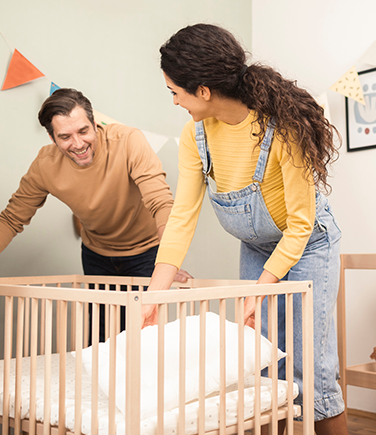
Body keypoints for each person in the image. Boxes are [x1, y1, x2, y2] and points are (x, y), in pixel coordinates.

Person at [143, 24, 348, 434]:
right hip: (257, 247)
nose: (174, 101)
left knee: (310, 367)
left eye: (175, 91)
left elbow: (301, 224)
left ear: (202, 90)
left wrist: (263, 287)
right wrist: (153, 296)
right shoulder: (194, 135)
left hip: (309, 244)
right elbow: (182, 218)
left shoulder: (281, 128)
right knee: (263, 361)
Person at [0, 88, 190, 341]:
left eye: (83, 131)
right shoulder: (45, 165)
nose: (78, 144)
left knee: (145, 334)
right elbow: (12, 218)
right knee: (101, 338)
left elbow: (161, 203)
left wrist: (167, 260)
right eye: (65, 136)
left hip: (147, 253)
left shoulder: (128, 141)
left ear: (95, 123)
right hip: (97, 255)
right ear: (51, 137)